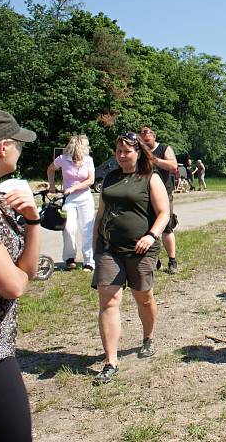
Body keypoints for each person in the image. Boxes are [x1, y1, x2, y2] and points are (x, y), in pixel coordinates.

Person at [0, 108, 40, 441]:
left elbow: (27, 269)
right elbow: (13, 285)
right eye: (18, 143)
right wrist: (20, 276)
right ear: (3, 148)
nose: (20, 150)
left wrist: (32, 220)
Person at [91, 131, 170, 385]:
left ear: (138, 153)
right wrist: (95, 247)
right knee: (109, 299)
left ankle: (148, 337)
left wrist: (151, 235)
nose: (122, 156)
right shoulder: (110, 178)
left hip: (140, 249)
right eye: (118, 152)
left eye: (127, 151)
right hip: (109, 248)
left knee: (143, 298)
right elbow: (101, 213)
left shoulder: (150, 177)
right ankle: (110, 361)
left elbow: (164, 213)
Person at [46, 134, 96, 271]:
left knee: (87, 230)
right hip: (69, 199)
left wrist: (73, 188)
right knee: (68, 228)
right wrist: (51, 185)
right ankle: (69, 258)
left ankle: (89, 261)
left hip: (85, 198)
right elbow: (50, 169)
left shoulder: (88, 160)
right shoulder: (63, 159)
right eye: (85, 147)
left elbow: (91, 181)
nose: (87, 149)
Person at [139, 126, 180, 273]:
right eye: (141, 133)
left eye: (147, 132)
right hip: (144, 193)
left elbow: (173, 165)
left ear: (154, 136)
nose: (144, 135)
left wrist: (153, 159)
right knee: (148, 226)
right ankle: (155, 260)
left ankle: (172, 261)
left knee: (166, 226)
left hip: (164, 193)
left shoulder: (163, 148)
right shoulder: (138, 150)